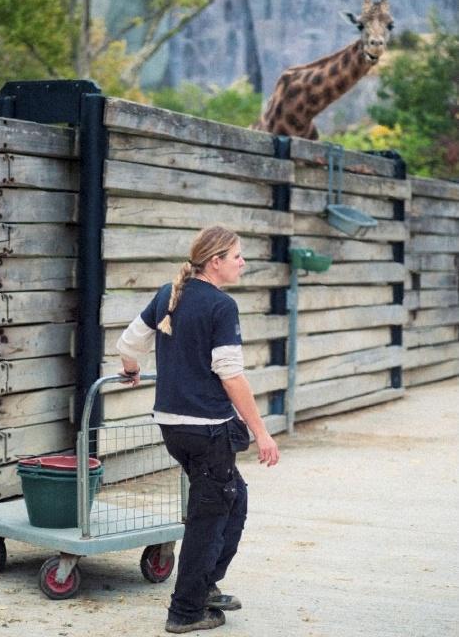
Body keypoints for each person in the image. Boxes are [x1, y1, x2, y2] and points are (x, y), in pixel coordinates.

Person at [115, 225, 280, 634]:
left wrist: (131, 371)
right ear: (215, 262)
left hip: (174, 428)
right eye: (237, 255)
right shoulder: (220, 307)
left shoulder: (170, 294)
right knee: (210, 514)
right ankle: (186, 611)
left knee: (232, 498)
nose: (243, 262)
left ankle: (204, 586)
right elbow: (231, 376)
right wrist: (261, 432)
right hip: (206, 430)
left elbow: (128, 344)